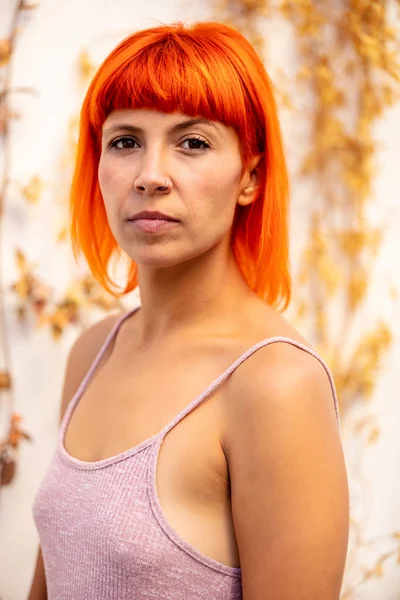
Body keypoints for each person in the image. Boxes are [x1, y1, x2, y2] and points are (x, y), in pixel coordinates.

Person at [28, 21, 349, 600]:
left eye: (193, 142)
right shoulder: (92, 351)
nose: (151, 177)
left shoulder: (275, 384)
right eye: (125, 141)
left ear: (249, 177)